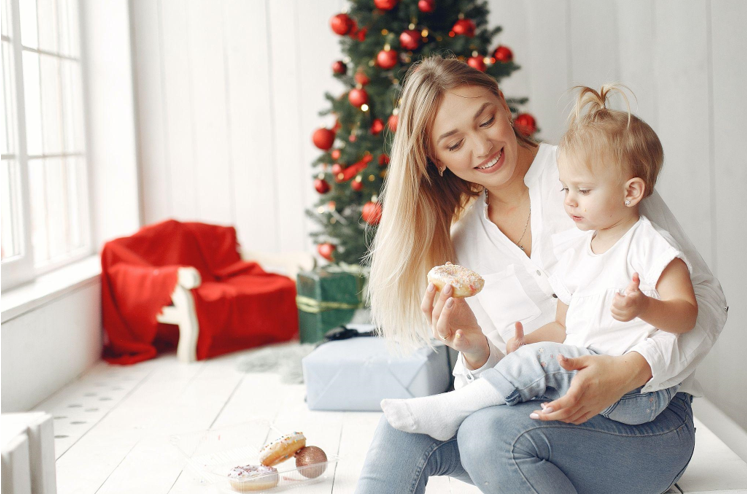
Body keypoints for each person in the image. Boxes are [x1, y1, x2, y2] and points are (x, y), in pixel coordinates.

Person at [357, 55, 727, 494]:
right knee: (401, 431)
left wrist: (631, 370)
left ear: (502, 101)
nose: (482, 147)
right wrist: (476, 351)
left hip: (647, 423)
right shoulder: (465, 243)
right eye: (454, 144)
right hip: (538, 422)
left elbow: (705, 301)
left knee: (488, 434)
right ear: (434, 159)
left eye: (486, 120)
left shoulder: (592, 170)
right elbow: (498, 380)